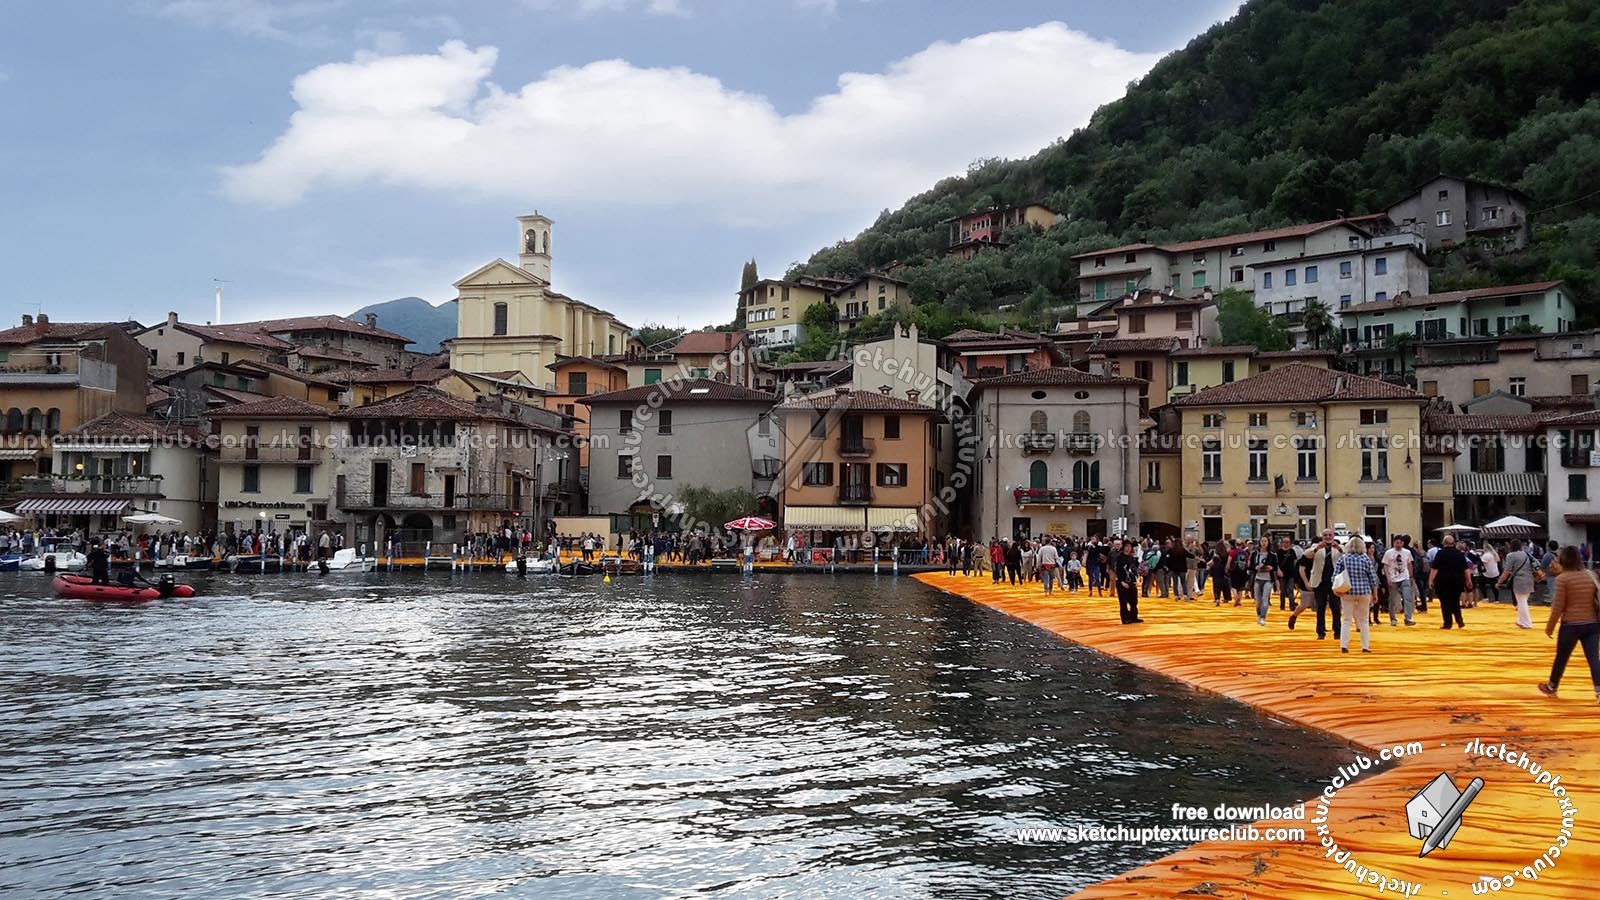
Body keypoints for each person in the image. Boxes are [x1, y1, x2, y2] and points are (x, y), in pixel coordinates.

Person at [1537, 546, 1600, 702]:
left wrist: (1550, 627)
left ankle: (1552, 686)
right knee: (1593, 658)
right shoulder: (1590, 575)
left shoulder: (1562, 579)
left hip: (1570, 624)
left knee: (1562, 657)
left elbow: (1558, 607)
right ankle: (1599, 690)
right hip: (1592, 623)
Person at [1293, 529, 1343, 640]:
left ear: (1333, 536)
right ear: (1322, 536)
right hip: (1320, 582)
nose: (1328, 537)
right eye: (1325, 535)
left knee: (1336, 608)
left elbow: (1346, 553)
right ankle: (1320, 632)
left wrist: (1338, 547)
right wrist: (1317, 549)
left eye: (1330, 535)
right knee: (1320, 608)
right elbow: (1306, 555)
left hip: (1334, 582)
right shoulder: (1316, 547)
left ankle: (1338, 631)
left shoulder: (1338, 547)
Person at [1334, 536, 1378, 653]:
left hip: (1347, 591)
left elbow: (1335, 576)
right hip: (1364, 591)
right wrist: (1375, 593)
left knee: (1346, 619)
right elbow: (1373, 578)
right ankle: (1365, 646)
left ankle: (1344, 645)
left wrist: (1336, 589)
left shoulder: (1343, 559)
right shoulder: (1366, 559)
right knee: (1364, 620)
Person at [1429, 534, 1470, 630]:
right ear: (1454, 543)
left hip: (1443, 581)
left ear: (1444, 543)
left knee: (1445, 602)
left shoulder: (1440, 554)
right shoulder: (1459, 554)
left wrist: (1431, 580)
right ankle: (1459, 620)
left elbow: (1435, 569)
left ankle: (1448, 623)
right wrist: (1468, 580)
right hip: (1457, 581)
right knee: (1455, 601)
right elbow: (1466, 569)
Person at [1496, 539, 1538, 629]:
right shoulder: (1527, 554)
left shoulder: (1511, 556)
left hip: (1519, 580)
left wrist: (1499, 582)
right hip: (1530, 579)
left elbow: (1506, 571)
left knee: (1521, 602)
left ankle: (1527, 623)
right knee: (1523, 601)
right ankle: (1521, 621)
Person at [1381, 535, 1416, 626]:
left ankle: (1408, 617)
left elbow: (1409, 564)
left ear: (1403, 543)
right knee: (1392, 599)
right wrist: (1388, 577)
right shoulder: (1388, 553)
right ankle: (1393, 618)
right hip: (1393, 578)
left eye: (1400, 543)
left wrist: (1411, 576)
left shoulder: (1407, 552)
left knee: (1407, 597)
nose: (1399, 545)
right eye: (1397, 543)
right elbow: (1385, 565)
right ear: (1394, 543)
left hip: (1405, 577)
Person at [1112, 538, 1142, 624]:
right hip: (1122, 582)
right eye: (1127, 546)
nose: (1128, 548)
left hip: (1131, 581)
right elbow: (1118, 570)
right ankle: (1125, 618)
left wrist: (1135, 580)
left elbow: (1133, 569)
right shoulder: (1119, 557)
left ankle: (1133, 617)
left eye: (1130, 546)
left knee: (1134, 601)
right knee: (1123, 602)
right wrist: (1122, 581)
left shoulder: (1131, 557)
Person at [1208, 540, 1233, 607]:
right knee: (1225, 586)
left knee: (1216, 587)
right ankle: (1226, 598)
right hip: (1224, 570)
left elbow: (1211, 562)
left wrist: (1208, 565)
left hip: (1216, 571)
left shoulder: (1217, 553)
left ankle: (1217, 598)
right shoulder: (1227, 553)